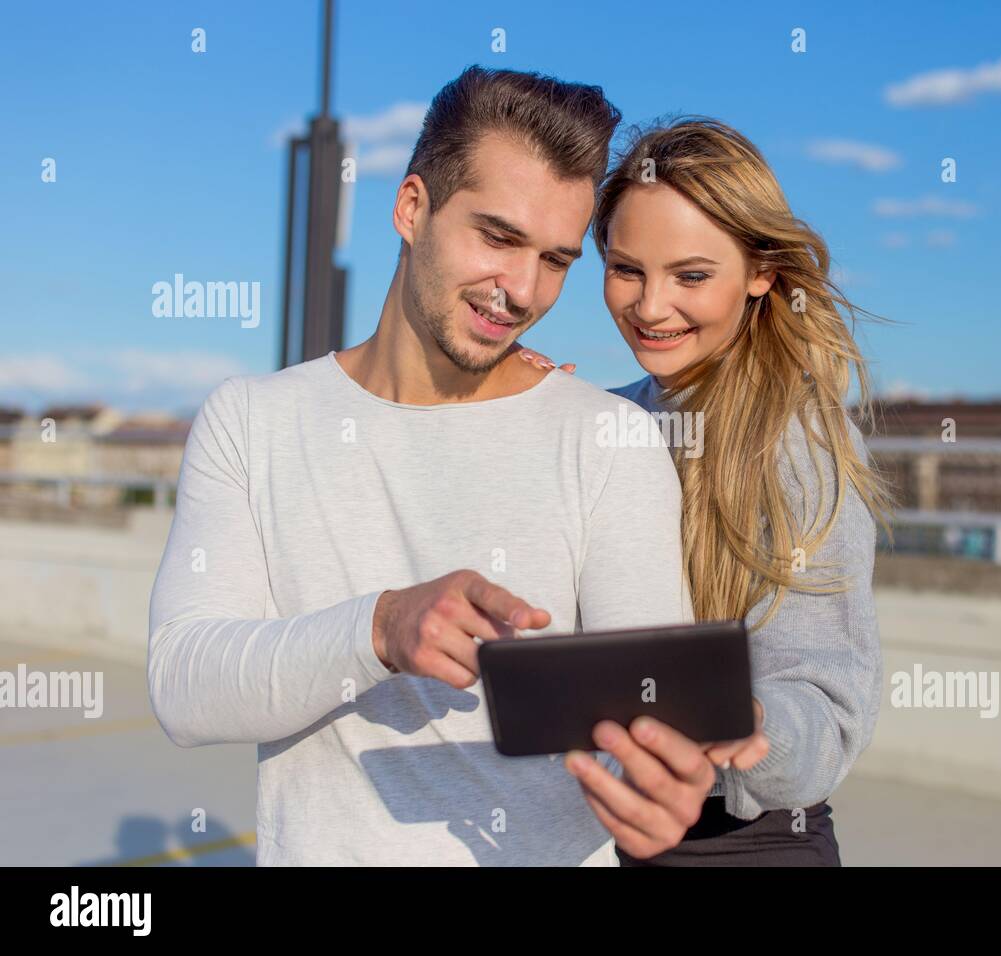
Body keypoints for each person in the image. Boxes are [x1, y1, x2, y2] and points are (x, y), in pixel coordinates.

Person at [146, 67, 718, 866]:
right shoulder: (251, 420)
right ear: (412, 208)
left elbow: (647, 712)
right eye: (498, 237)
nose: (521, 290)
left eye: (555, 259)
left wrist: (660, 785)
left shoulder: (607, 440)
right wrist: (380, 627)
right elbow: (184, 687)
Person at [520, 118, 891, 865]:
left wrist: (744, 721)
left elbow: (829, 707)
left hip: (741, 842)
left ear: (762, 272)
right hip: (607, 825)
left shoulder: (801, 442)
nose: (652, 307)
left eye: (691, 276)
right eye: (626, 270)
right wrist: (530, 431)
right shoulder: (609, 416)